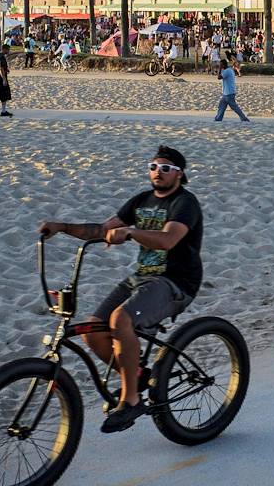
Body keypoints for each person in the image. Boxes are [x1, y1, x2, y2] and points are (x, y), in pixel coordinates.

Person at [38, 145, 203, 433]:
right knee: (94, 330)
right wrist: (61, 227)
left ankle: (131, 399)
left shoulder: (184, 202)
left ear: (179, 174)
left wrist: (130, 232)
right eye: (153, 167)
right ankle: (137, 376)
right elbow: (102, 230)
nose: (157, 173)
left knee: (120, 320)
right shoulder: (141, 200)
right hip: (142, 277)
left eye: (165, 168)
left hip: (176, 280)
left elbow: (167, 240)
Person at [214, 55, 250, 122]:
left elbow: (219, 77)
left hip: (229, 93)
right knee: (222, 106)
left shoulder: (227, 71)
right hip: (227, 93)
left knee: (234, 107)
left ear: (223, 65)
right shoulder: (229, 70)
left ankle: (244, 118)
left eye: (221, 65)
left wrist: (219, 69)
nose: (220, 65)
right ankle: (218, 118)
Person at [0, 47, 13, 117]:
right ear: (4, 49)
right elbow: (0, 68)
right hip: (0, 78)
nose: (8, 51)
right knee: (3, 94)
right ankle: (3, 111)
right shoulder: (1, 57)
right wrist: (4, 79)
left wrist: (6, 69)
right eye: (8, 49)